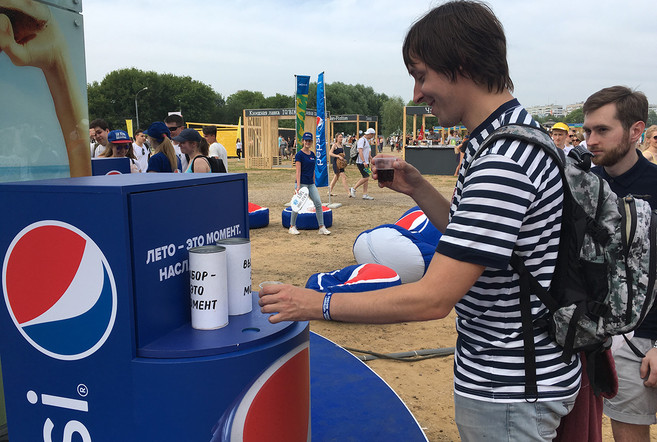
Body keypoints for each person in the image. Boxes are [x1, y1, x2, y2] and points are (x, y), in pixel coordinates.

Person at [260, 2, 580, 441]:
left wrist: (315, 303)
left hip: (508, 385)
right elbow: (487, 248)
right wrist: (421, 190)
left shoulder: (503, 161)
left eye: (422, 75)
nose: (416, 94)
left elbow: (433, 298)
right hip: (517, 374)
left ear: (461, 65)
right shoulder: (511, 139)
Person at [580, 86, 657, 442]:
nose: (591, 140)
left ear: (636, 130)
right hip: (607, 338)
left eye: (602, 130)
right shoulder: (585, 187)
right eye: (587, 131)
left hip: (650, 336)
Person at [289, 132, 331, 236]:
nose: (307, 142)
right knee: (297, 205)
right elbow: (298, 171)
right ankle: (292, 226)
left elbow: (313, 170)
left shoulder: (312, 155)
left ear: (311, 142)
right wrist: (298, 186)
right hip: (301, 184)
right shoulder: (299, 155)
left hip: (310, 184)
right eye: (306, 140)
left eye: (309, 141)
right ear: (303, 141)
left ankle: (321, 227)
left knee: (318, 203)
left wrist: (314, 183)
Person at [349, 128, 375, 200]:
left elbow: (365, 150)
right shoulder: (361, 140)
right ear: (370, 134)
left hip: (365, 162)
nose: (372, 137)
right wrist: (363, 161)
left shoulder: (366, 140)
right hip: (361, 162)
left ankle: (365, 194)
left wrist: (369, 157)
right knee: (366, 177)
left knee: (367, 177)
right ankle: (353, 188)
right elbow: (360, 151)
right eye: (372, 135)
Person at [328, 133, 350, 197]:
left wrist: (343, 156)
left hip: (340, 163)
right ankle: (348, 192)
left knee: (336, 177)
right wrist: (338, 156)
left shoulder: (342, 145)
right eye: (340, 137)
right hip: (336, 163)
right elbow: (330, 153)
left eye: (342, 137)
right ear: (337, 138)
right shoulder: (334, 145)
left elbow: (343, 153)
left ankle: (329, 191)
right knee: (343, 176)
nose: (341, 138)